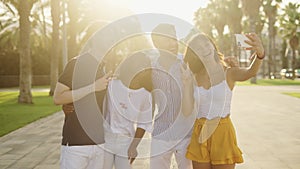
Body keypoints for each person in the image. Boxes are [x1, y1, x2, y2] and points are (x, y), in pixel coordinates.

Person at [184, 32, 265, 169]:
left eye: (206, 44)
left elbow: (250, 72)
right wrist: (185, 84)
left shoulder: (229, 73)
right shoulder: (193, 77)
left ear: (213, 46)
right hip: (199, 132)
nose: (204, 49)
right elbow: (186, 111)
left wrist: (260, 55)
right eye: (198, 48)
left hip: (223, 132)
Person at [149, 23, 194, 169]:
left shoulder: (187, 64)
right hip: (161, 132)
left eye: (174, 39)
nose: (173, 44)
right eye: (167, 40)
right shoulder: (151, 68)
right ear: (156, 44)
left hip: (186, 134)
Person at [102, 50, 153, 169]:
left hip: (126, 142)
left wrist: (134, 146)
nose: (143, 70)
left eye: (146, 67)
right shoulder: (112, 85)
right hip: (105, 139)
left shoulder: (146, 95)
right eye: (140, 65)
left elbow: (143, 124)